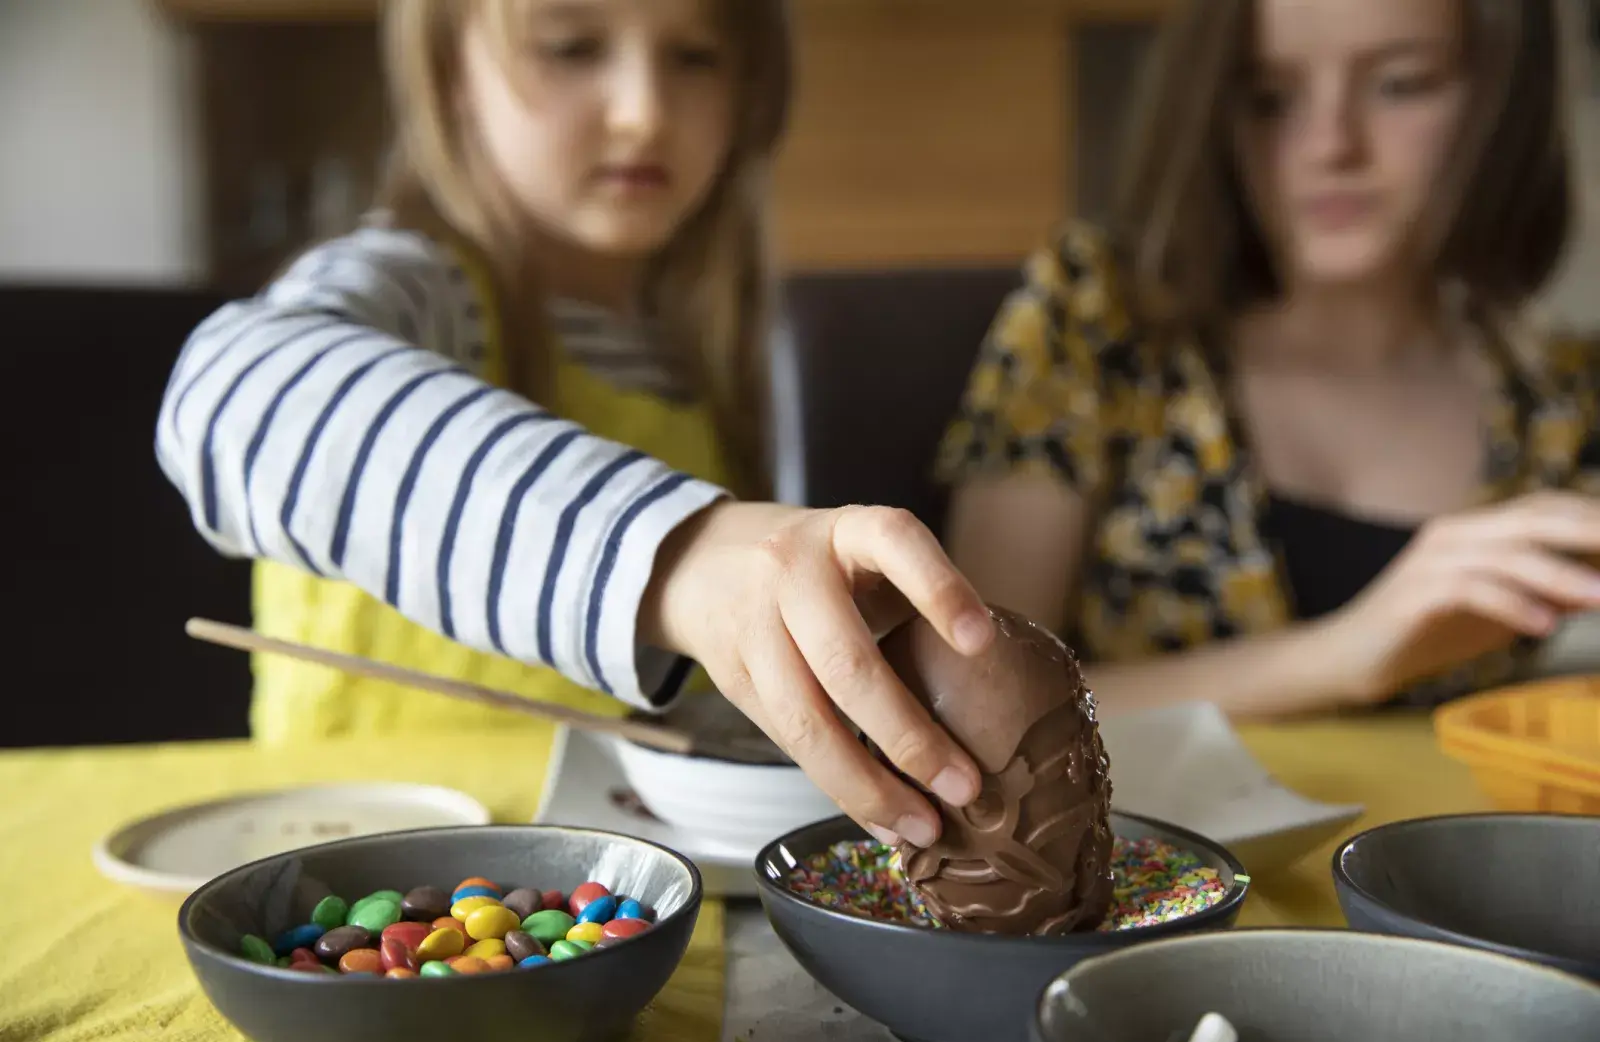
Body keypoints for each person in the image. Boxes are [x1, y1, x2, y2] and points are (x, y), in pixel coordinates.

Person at [155, 0, 990, 851]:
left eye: (696, 56)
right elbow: (232, 395)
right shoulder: (421, 288)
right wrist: (669, 550)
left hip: (601, 898)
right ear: (449, 78)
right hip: (356, 884)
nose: (644, 112)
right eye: (570, 47)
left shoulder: (702, 350)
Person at [939, 0, 1600, 721]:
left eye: (1401, 84)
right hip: (1152, 834)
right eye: (1268, 98)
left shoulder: (1562, 402)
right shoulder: (1097, 319)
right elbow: (976, 698)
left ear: (1503, 98)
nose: (1329, 145)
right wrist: (1343, 654)